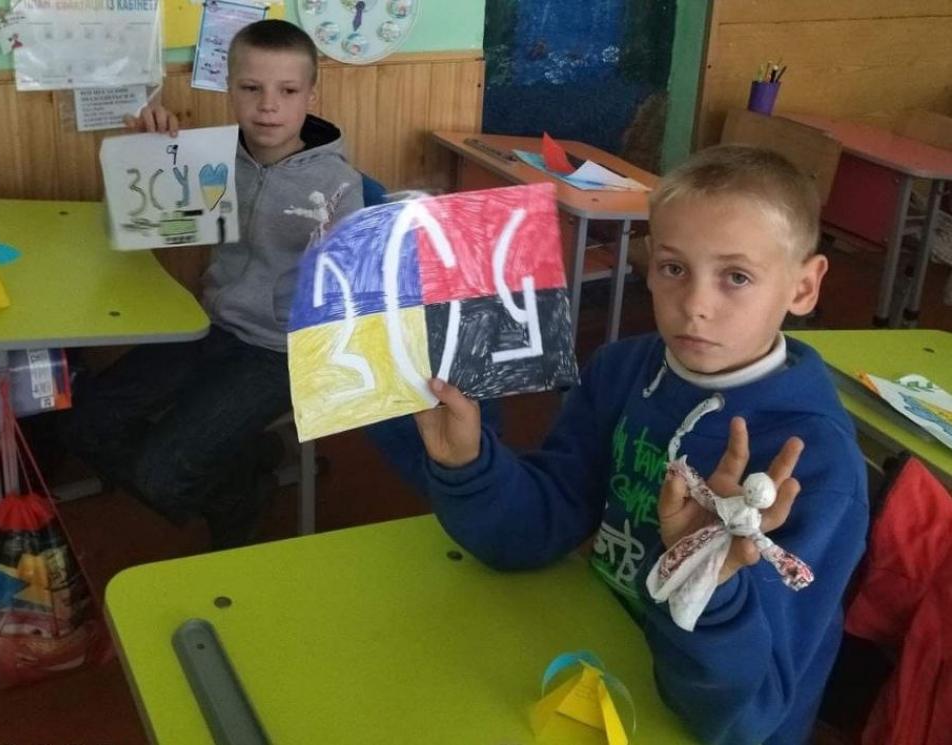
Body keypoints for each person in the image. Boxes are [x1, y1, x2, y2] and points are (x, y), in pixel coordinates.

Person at [412, 145, 869, 744]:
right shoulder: (621, 370)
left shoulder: (815, 463)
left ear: (804, 287)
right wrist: (468, 465)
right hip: (605, 661)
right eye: (674, 268)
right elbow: (537, 527)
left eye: (736, 277)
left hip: (705, 715)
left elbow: (746, 716)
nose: (695, 306)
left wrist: (702, 576)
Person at [61, 20, 363, 549]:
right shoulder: (211, 158)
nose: (268, 106)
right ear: (230, 89)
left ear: (311, 96)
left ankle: (235, 489)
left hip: (280, 350)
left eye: (288, 91)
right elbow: (135, 224)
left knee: (161, 473)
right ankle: (240, 469)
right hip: (210, 326)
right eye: (251, 88)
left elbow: (354, 288)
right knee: (85, 421)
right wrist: (146, 154)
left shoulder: (337, 184)